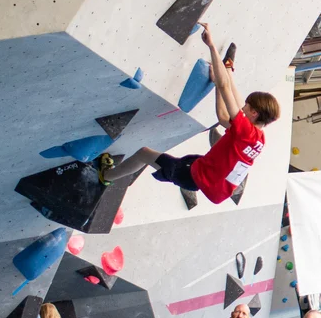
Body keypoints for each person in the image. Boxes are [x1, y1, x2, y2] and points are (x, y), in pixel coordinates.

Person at [99, 23, 277, 203]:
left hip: (190, 174)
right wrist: (220, 80)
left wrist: (211, 46)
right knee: (157, 158)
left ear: (254, 113)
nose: (242, 108)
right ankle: (111, 175)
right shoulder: (258, 140)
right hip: (204, 175)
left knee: (144, 153)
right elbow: (223, 116)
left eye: (246, 106)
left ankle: (106, 176)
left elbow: (226, 88)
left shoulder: (245, 131)